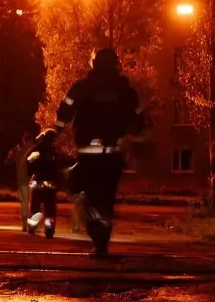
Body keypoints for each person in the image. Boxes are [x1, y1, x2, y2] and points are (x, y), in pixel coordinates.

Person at [54, 48, 147, 256]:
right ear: (116, 65)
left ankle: (98, 235)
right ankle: (102, 240)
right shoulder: (125, 91)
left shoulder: (82, 88)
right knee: (106, 196)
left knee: (88, 195)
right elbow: (137, 120)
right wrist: (135, 132)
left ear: (94, 63)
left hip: (88, 156)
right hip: (111, 156)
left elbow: (64, 112)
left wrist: (54, 132)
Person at [24, 128, 64, 238]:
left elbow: (28, 161)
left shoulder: (37, 149)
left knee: (35, 206)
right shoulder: (54, 151)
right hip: (50, 182)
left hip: (37, 181)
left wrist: (31, 172)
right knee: (50, 208)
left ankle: (32, 227)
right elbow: (59, 166)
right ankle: (49, 230)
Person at [6, 131, 34, 231]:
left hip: (31, 181)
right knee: (26, 202)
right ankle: (25, 223)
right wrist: (12, 152)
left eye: (29, 141)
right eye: (27, 141)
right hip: (23, 181)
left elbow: (8, 160)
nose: (28, 143)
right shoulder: (19, 152)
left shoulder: (32, 152)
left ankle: (29, 223)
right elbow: (8, 160)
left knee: (29, 203)